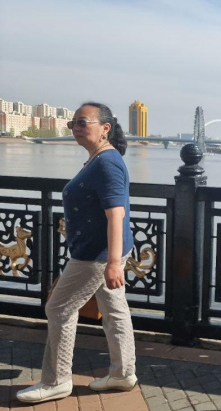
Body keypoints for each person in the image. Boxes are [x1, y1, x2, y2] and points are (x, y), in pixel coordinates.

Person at [16, 102, 137, 403]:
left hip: (96, 255)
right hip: (101, 251)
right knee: (114, 310)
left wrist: (113, 263)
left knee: (59, 308)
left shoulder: (107, 163)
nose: (76, 128)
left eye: (83, 122)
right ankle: (123, 374)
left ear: (105, 128)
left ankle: (57, 380)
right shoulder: (99, 158)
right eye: (73, 124)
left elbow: (116, 214)